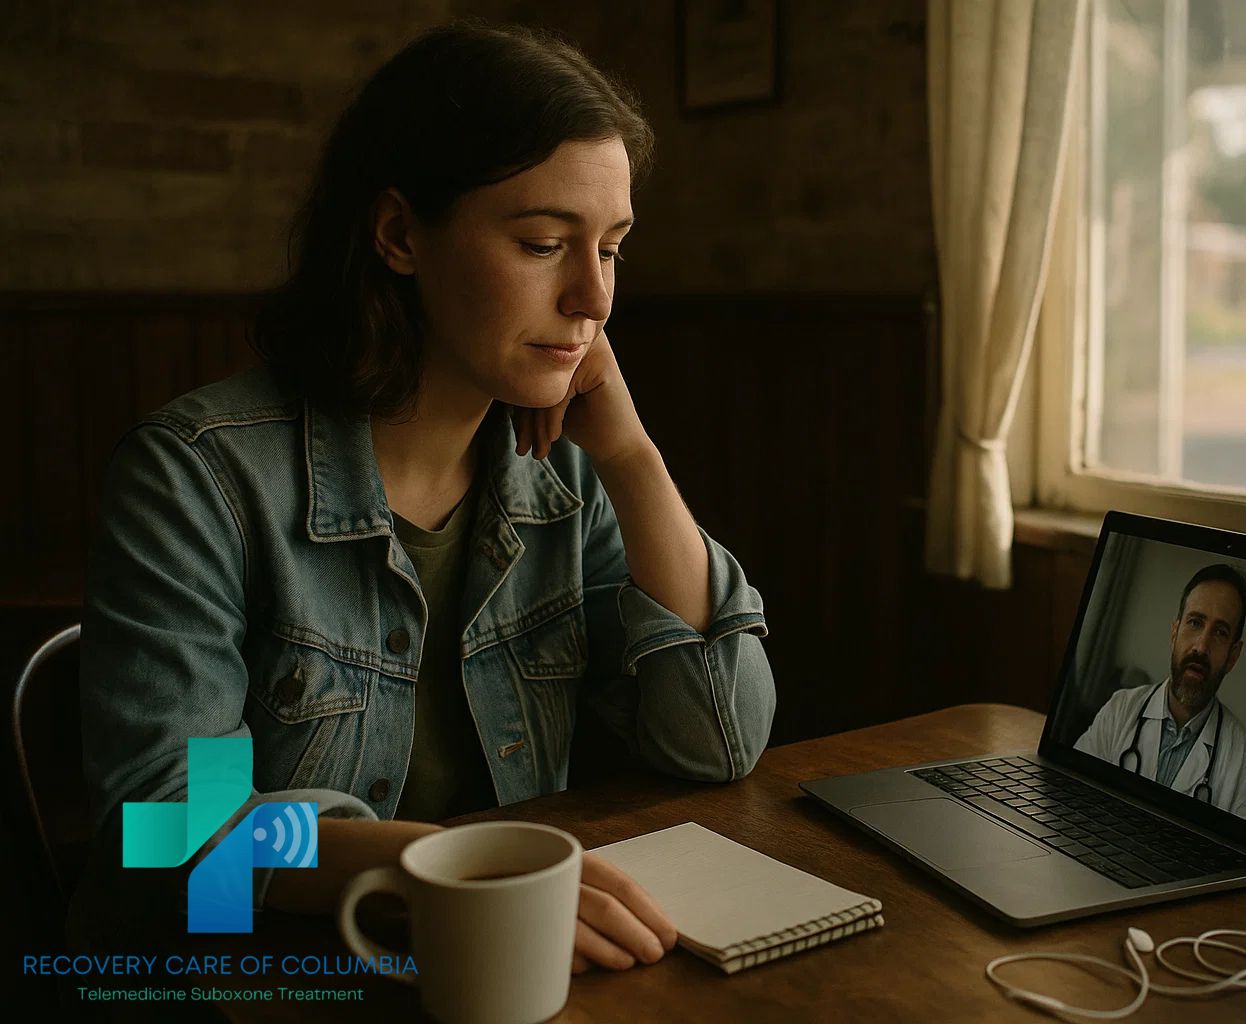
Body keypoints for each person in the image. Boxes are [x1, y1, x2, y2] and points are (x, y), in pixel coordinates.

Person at [70, 21, 776, 975]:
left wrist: (634, 457)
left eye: (610, 248)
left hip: (501, 968)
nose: (594, 299)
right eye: (541, 243)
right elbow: (172, 831)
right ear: (401, 234)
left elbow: (719, 741)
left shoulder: (569, 472)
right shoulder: (197, 478)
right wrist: (446, 867)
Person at [1073, 564, 1246, 829]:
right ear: (1174, 633)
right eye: (1195, 622)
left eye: (1220, 632)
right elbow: (1071, 795)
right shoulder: (1120, 709)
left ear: (1233, 656)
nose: (1201, 646)